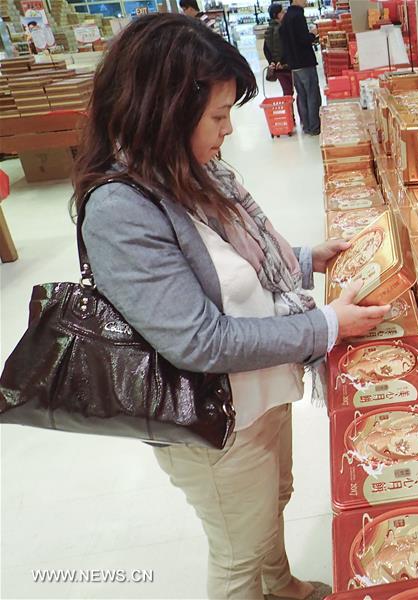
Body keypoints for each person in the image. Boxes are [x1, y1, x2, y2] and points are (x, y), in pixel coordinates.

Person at [73, 14, 390, 600]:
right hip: (213, 420)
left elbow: (234, 266)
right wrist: (323, 325)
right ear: (163, 109)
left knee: (274, 501)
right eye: (218, 116)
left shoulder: (193, 170)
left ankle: (282, 585)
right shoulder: (121, 208)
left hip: (262, 388)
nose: (227, 129)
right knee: (237, 553)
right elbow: (198, 339)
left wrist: (305, 259)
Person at [279, 0, 321, 135]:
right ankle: (315, 127)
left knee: (302, 96)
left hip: (294, 65)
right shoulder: (298, 16)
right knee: (312, 94)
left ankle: (307, 126)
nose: (306, 1)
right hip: (305, 62)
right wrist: (313, 33)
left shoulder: (286, 17)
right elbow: (303, 40)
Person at [263, 3, 294, 97]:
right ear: (276, 15)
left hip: (277, 68)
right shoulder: (283, 28)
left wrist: (271, 62)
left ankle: (289, 111)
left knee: (287, 92)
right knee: (300, 90)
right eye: (282, 12)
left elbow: (266, 49)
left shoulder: (268, 30)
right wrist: (282, 61)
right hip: (286, 65)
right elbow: (285, 46)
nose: (284, 13)